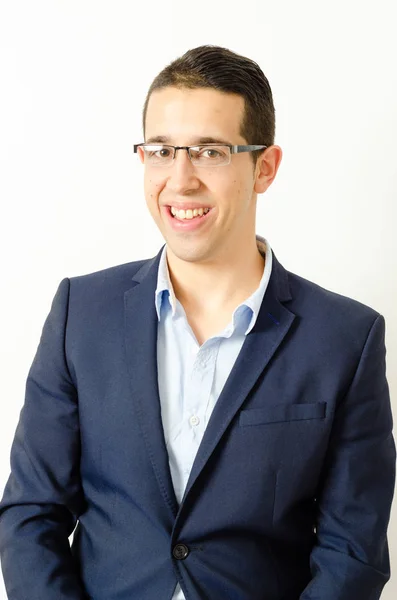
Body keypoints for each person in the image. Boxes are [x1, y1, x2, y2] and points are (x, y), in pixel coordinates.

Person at [0, 44, 395, 600]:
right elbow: (30, 515)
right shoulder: (79, 314)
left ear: (265, 167)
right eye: (162, 150)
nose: (180, 180)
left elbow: (351, 552)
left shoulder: (345, 339)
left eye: (209, 152)